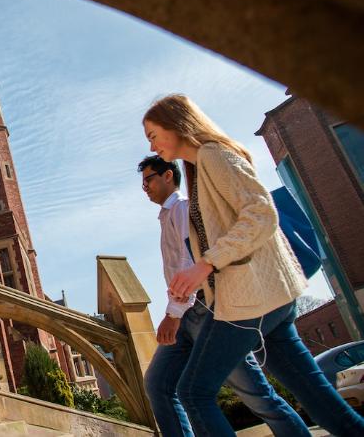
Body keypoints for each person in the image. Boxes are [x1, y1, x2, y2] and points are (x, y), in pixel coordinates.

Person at [143, 94, 364, 437]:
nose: (152, 144)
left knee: (193, 392)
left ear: (176, 125)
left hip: (250, 300)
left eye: (153, 134)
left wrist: (204, 265)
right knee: (320, 401)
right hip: (267, 298)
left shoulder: (214, 155)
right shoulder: (199, 170)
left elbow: (262, 213)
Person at [139, 155, 309, 437]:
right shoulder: (167, 215)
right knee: (158, 385)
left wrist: (172, 314)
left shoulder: (182, 209)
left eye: (148, 180)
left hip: (206, 312)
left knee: (256, 395)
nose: (144, 187)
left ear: (168, 175)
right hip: (187, 314)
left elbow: (188, 261)